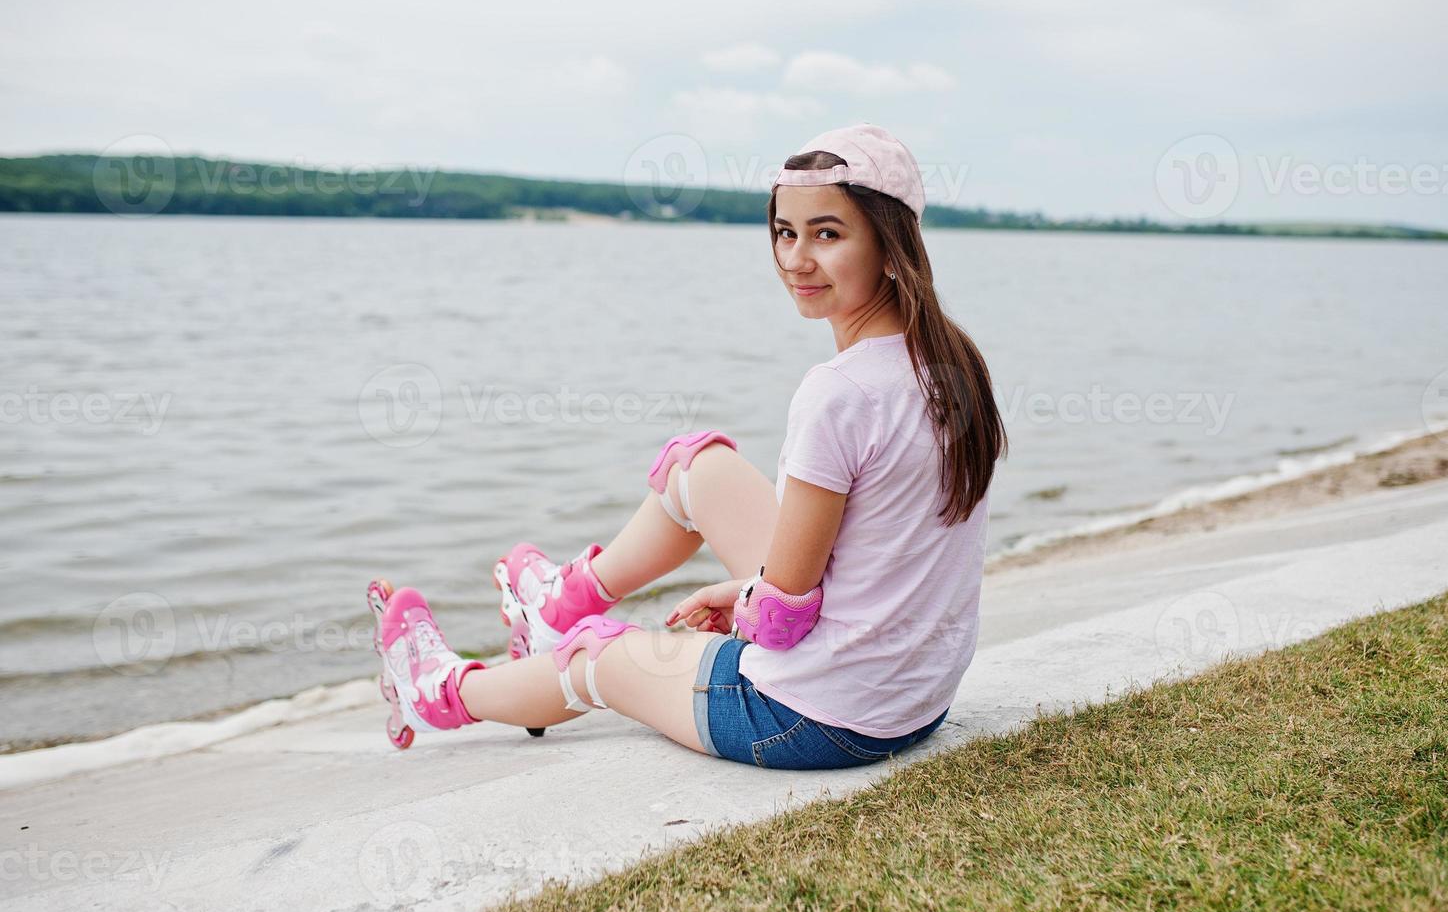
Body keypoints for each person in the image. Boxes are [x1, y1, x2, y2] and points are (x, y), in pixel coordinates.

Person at [367, 122, 1009, 770]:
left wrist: (743, 602)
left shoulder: (838, 393)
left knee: (596, 656)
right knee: (698, 467)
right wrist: (752, 592)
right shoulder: (951, 360)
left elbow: (783, 617)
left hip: (812, 717)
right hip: (913, 699)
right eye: (785, 232)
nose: (795, 259)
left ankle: (436, 693)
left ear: (890, 245)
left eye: (827, 234)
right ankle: (553, 605)